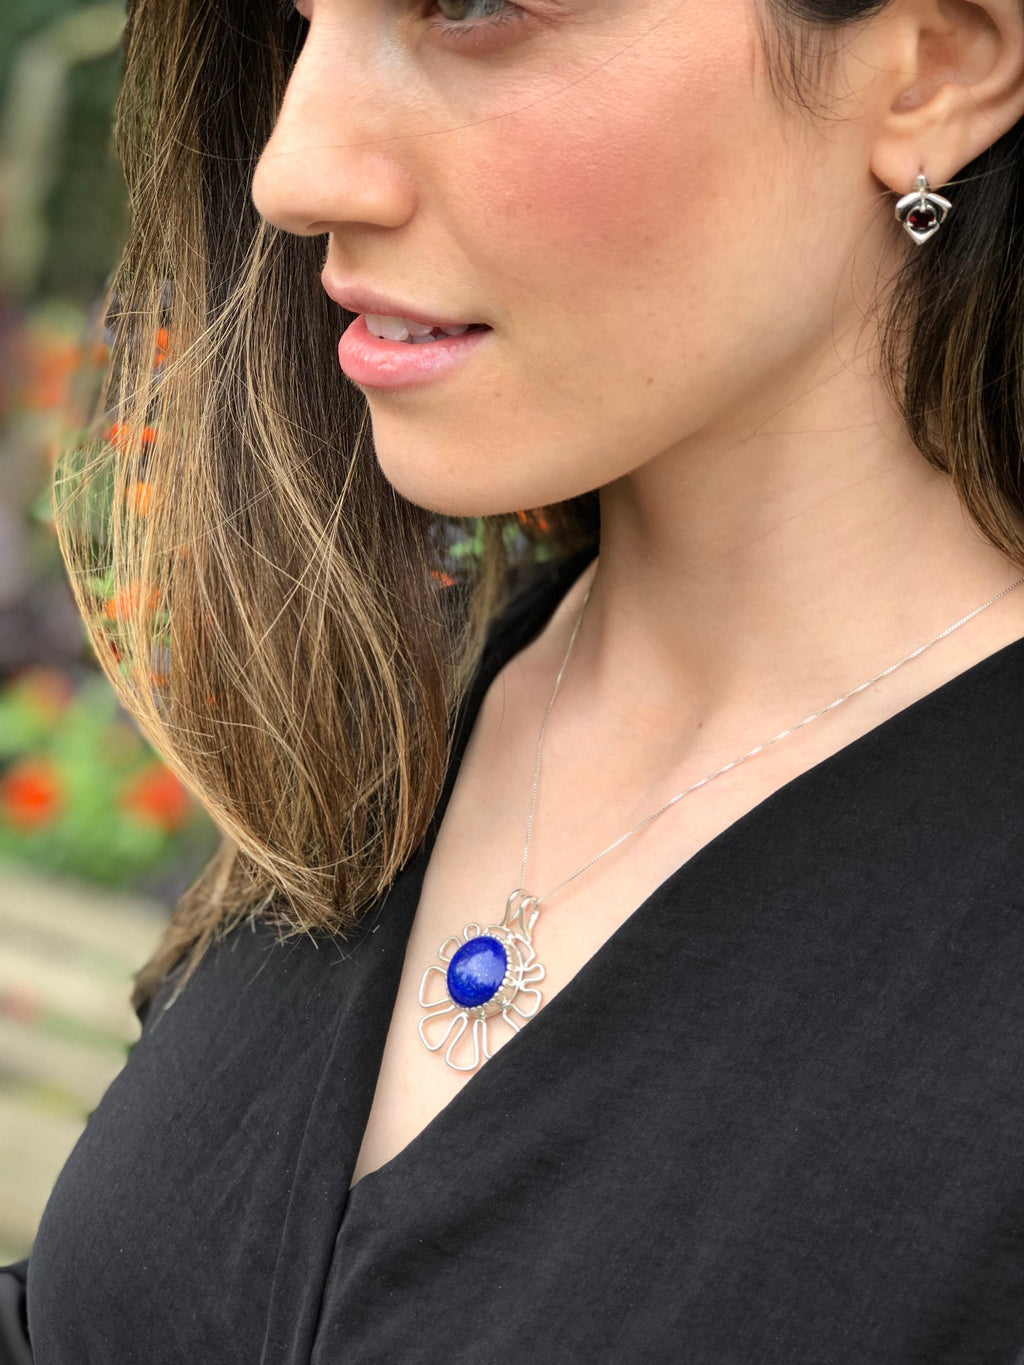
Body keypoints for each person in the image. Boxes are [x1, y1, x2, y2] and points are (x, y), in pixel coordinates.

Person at [6, 0, 1024, 1357]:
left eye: (470, 4)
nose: (293, 172)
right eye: (301, 19)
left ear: (936, 63)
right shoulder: (385, 725)